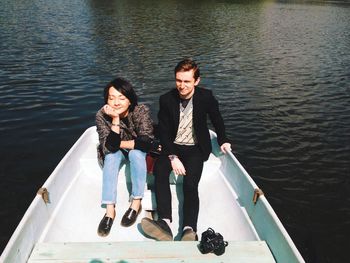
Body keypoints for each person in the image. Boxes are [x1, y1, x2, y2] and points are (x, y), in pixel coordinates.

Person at [141, 59, 231, 241]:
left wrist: (223, 140)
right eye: (178, 80)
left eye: (187, 81)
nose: (182, 86)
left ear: (196, 81)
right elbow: (164, 132)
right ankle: (164, 222)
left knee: (191, 183)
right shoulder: (166, 99)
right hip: (172, 146)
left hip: (196, 148)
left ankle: (189, 229)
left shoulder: (206, 97)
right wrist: (172, 156)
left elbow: (217, 119)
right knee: (160, 171)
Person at [96, 77, 156, 237]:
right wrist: (115, 119)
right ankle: (110, 211)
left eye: (121, 98)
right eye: (111, 98)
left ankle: (136, 202)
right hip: (116, 150)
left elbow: (145, 142)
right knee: (111, 157)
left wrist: (118, 143)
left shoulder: (140, 110)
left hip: (136, 148)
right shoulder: (102, 115)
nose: (116, 103)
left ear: (130, 100)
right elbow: (107, 147)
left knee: (137, 154)